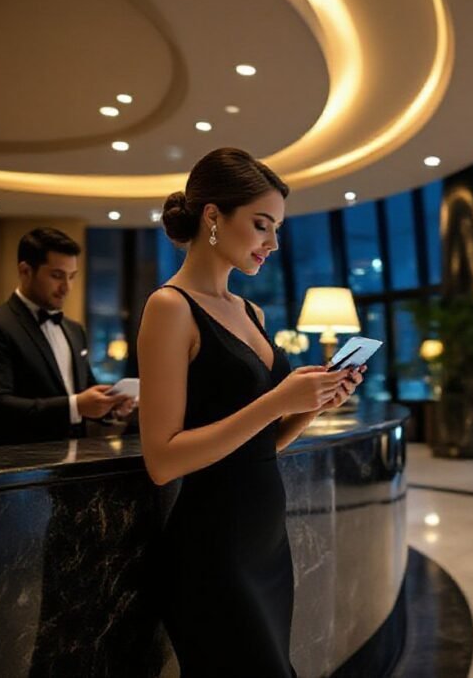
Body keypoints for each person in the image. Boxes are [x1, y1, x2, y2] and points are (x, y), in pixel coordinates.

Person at [138, 147, 365, 678]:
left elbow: (260, 445)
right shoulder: (170, 307)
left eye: (278, 229)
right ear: (213, 217)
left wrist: (311, 406)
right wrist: (275, 401)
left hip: (265, 539)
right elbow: (162, 460)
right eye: (262, 225)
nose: (273, 243)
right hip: (212, 549)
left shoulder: (250, 311)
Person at [0, 227, 136, 446]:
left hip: (73, 463)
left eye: (72, 277)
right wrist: (75, 406)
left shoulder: (74, 330)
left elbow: (84, 392)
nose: (66, 287)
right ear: (25, 271)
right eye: (57, 276)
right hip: (16, 466)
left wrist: (110, 407)